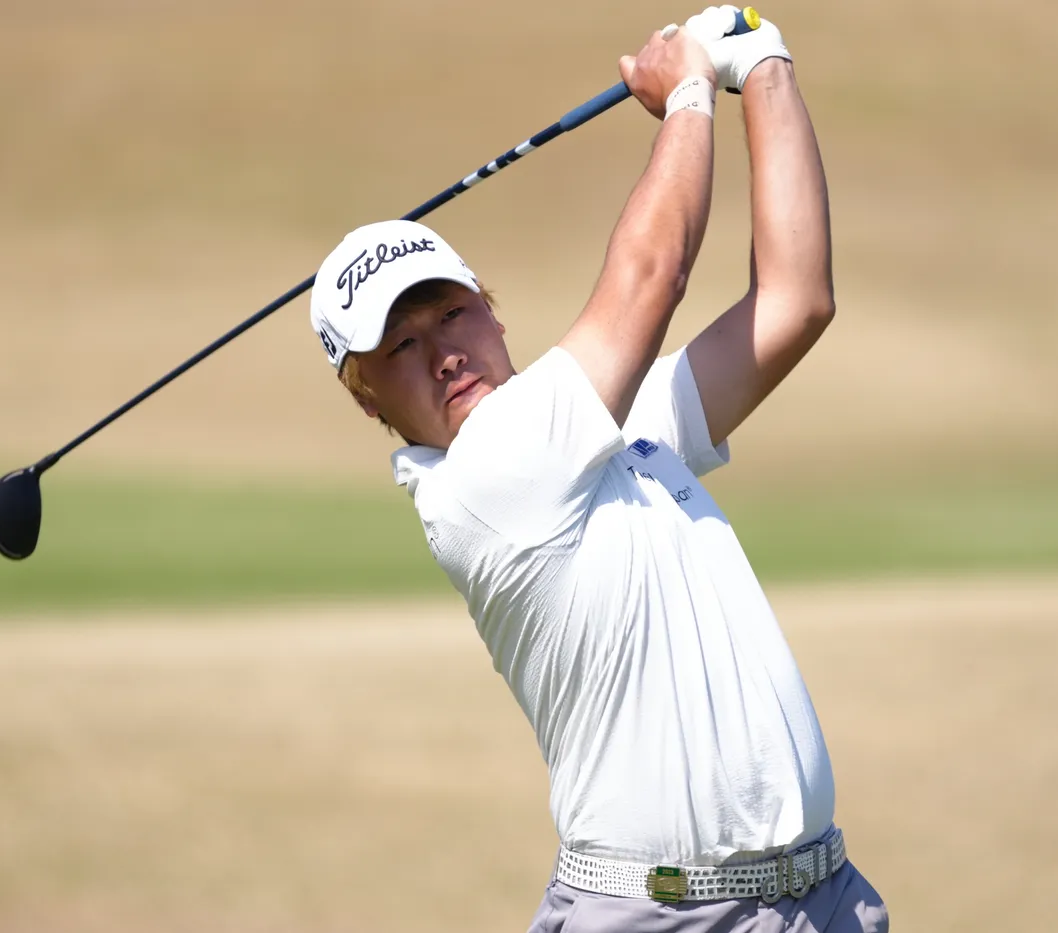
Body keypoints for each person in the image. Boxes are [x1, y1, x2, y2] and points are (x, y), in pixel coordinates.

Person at [308, 7, 888, 931]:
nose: (444, 354)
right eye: (401, 346)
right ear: (368, 400)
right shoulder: (487, 477)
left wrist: (762, 65)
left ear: (493, 312)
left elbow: (795, 301)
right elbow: (653, 273)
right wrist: (688, 91)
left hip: (820, 901)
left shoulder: (604, 427)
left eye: (452, 314)